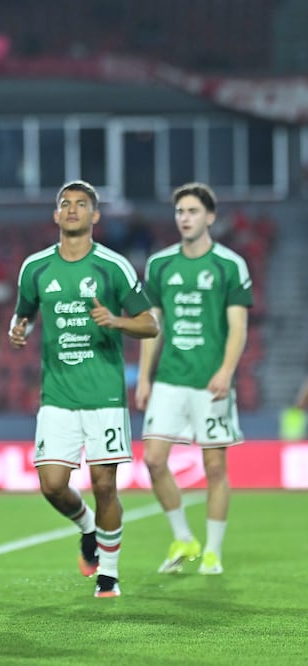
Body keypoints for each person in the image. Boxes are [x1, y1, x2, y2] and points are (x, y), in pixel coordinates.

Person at [8, 180, 159, 598]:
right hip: (57, 396)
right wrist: (17, 331)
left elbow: (150, 323)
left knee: (105, 485)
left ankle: (108, 574)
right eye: (65, 204)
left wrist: (117, 321)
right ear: (56, 216)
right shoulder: (35, 268)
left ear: (95, 216)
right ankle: (88, 527)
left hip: (104, 397)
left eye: (81, 204)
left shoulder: (113, 267)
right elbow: (23, 317)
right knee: (52, 485)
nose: (72, 209)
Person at [135, 182, 253, 576]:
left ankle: (213, 551)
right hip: (170, 378)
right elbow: (155, 325)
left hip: (210, 381)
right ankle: (184, 538)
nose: (184, 218)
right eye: (180, 212)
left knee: (215, 468)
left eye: (192, 211)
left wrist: (226, 371)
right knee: (153, 460)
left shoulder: (230, 265)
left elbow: (238, 327)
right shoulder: (160, 264)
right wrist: (145, 378)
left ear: (210, 217)